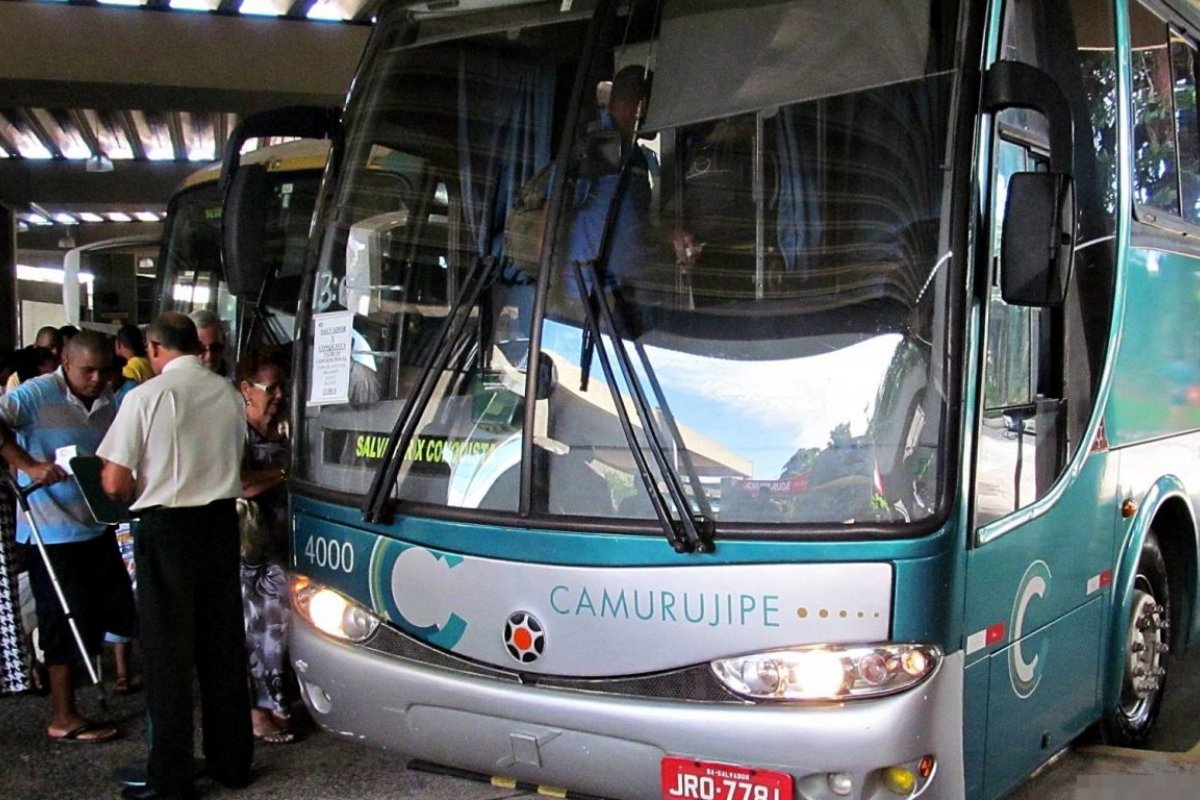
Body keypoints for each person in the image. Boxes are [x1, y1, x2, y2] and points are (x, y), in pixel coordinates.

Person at [99, 312, 253, 800]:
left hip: (167, 530)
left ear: (154, 348)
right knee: (222, 649)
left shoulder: (147, 396)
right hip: (220, 526)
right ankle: (232, 762)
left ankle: (171, 778)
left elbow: (115, 482)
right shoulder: (229, 394)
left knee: (168, 657)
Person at [0, 329, 135, 742]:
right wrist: (30, 465)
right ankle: (63, 716)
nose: (97, 378)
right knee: (62, 619)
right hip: (50, 531)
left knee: (113, 610)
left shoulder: (111, 401)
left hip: (96, 524)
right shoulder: (35, 395)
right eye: (87, 370)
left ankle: (100, 680)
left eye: (104, 370)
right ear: (66, 364)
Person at [236, 348, 296, 744]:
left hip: (288, 538)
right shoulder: (236, 430)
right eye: (269, 388)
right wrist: (286, 473)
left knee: (289, 625)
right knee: (258, 631)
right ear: (246, 390)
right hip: (255, 547)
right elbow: (240, 482)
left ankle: (284, 701)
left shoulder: (290, 426)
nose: (277, 396)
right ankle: (258, 712)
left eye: (282, 388)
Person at [188, 309, 230, 378]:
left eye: (215, 348)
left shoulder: (230, 385)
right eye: (200, 349)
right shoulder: (172, 385)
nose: (209, 357)